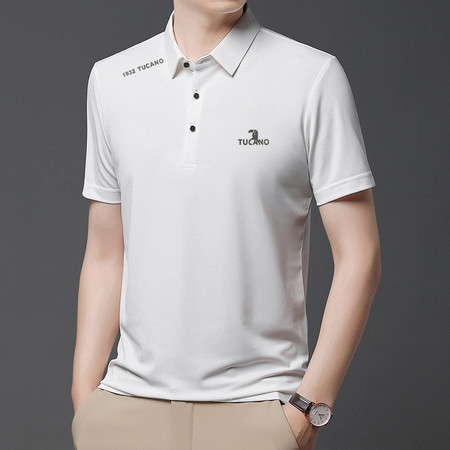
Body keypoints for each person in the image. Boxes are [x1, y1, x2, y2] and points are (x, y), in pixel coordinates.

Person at [71, 1, 381, 449]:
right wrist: (85, 398)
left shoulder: (312, 76)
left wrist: (309, 407)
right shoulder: (112, 79)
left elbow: (360, 256)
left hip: (258, 413)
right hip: (125, 413)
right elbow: (105, 253)